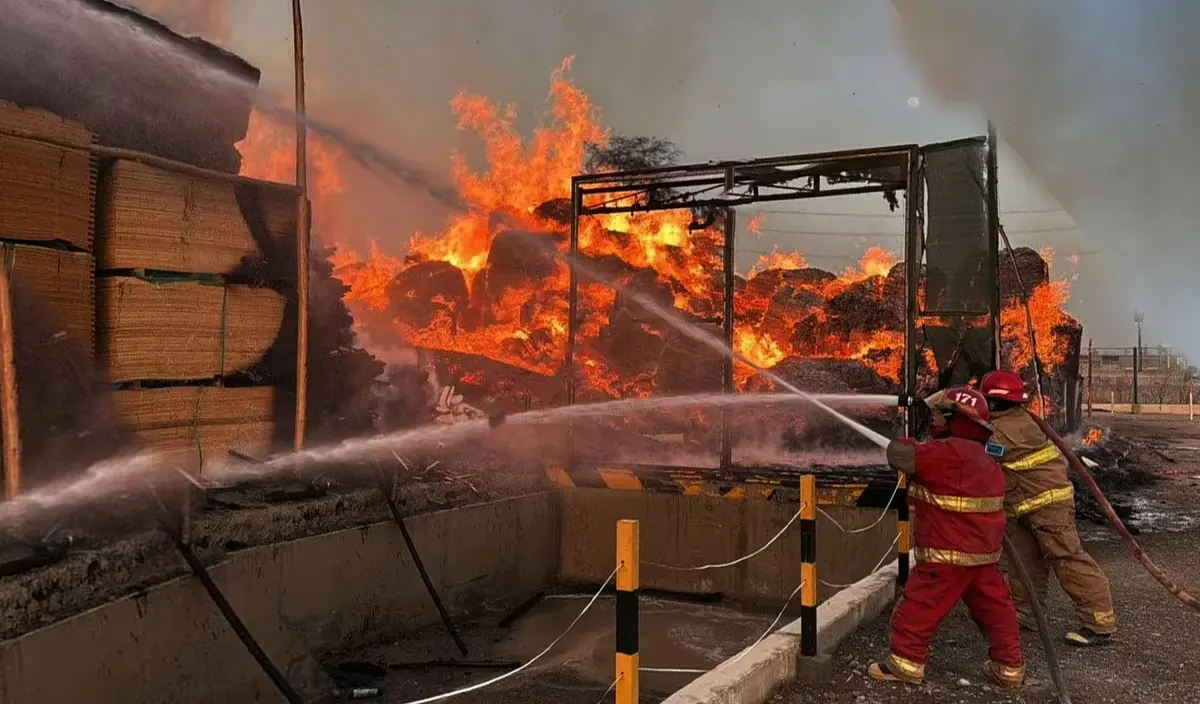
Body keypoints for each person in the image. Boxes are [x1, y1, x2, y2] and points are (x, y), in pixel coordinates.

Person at [868, 386, 1025, 688]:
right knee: (997, 613)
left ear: (957, 420)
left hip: (944, 559)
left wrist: (904, 441)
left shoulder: (945, 454)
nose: (937, 421)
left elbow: (900, 455)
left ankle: (905, 664)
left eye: (943, 416)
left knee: (918, 609)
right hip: (984, 559)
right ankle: (1009, 667)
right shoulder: (986, 458)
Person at [976, 369, 1116, 647]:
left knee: (1067, 559)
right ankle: (1024, 616)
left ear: (992, 402)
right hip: (1023, 506)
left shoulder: (1005, 433)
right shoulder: (1015, 421)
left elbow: (979, 453)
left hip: (1048, 506)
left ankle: (1098, 622)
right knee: (1024, 563)